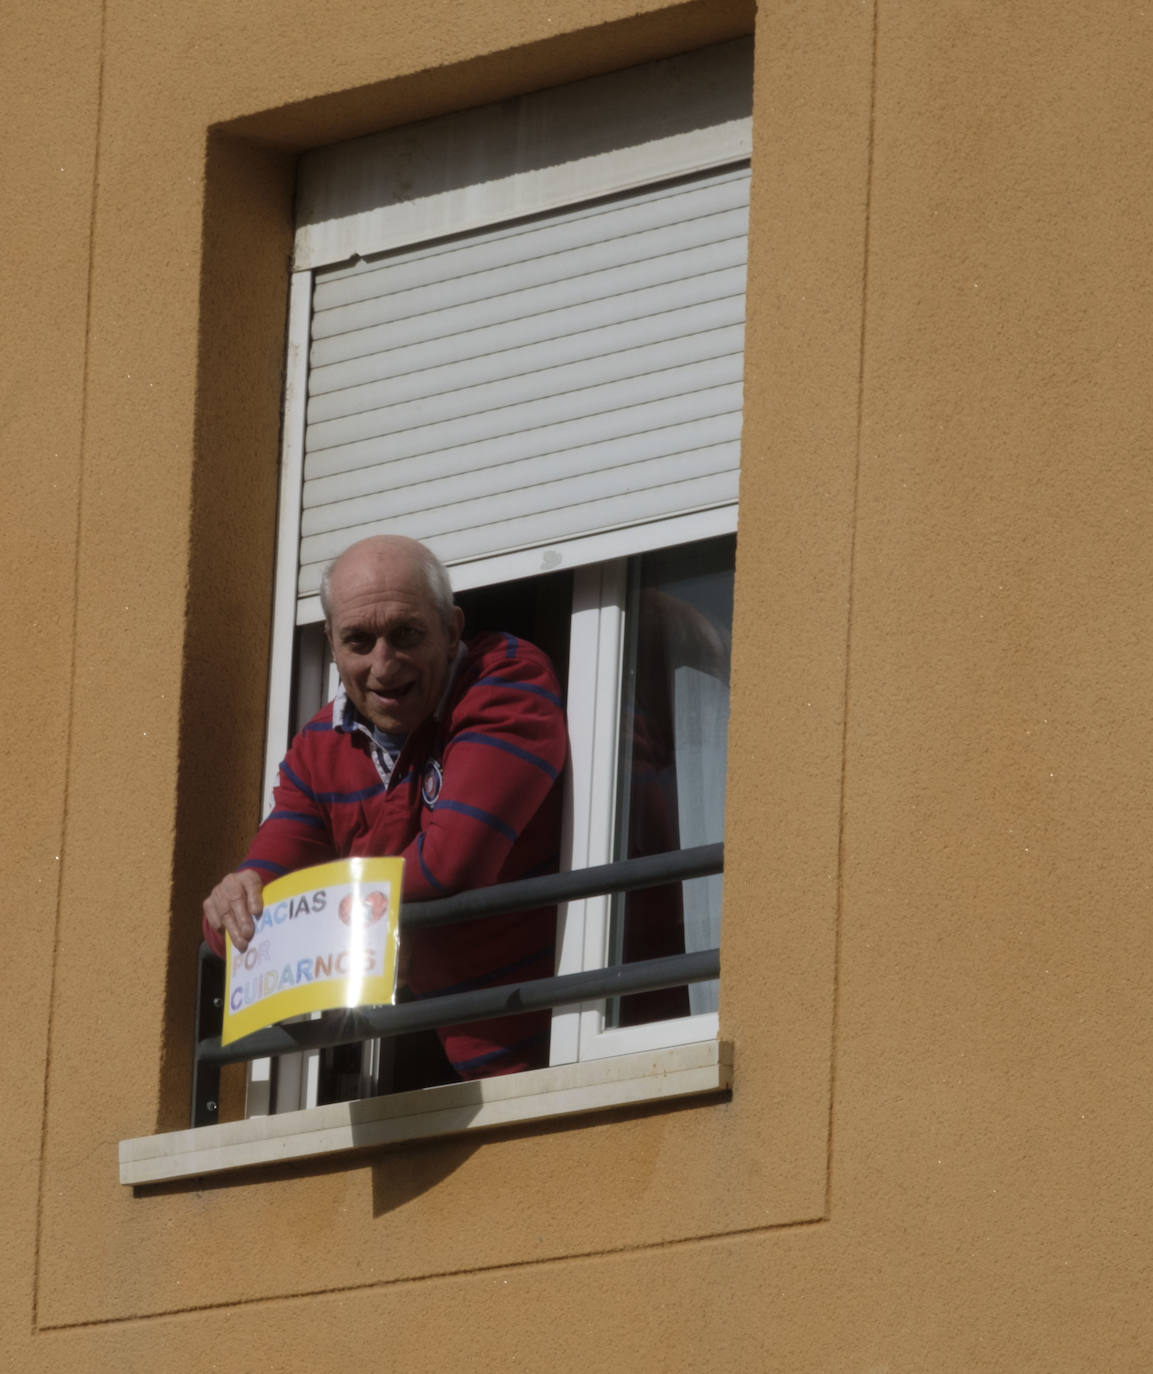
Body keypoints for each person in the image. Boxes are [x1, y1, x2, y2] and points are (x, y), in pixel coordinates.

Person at [202, 534, 567, 1080]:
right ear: (330, 643)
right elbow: (245, 927)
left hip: (584, 1046)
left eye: (406, 634)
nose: (384, 664)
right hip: (456, 1073)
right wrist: (234, 899)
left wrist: (327, 911)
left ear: (451, 630)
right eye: (359, 640)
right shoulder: (316, 750)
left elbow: (452, 863)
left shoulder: (507, 680)